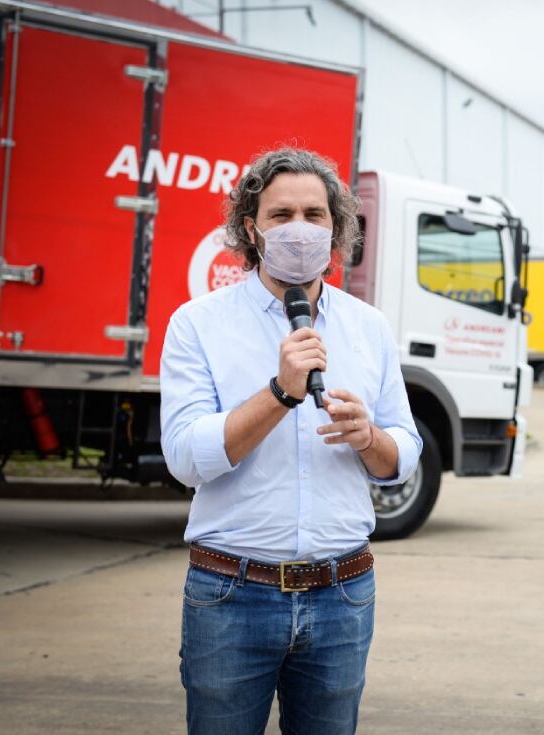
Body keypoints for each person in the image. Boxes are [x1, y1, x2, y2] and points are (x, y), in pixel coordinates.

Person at [160, 147, 422, 734]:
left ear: (336, 227)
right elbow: (184, 458)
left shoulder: (368, 327)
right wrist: (280, 392)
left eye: (314, 213)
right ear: (251, 228)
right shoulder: (198, 323)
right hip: (231, 594)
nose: (299, 228)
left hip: (343, 595)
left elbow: (403, 455)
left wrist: (369, 437)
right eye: (281, 215)